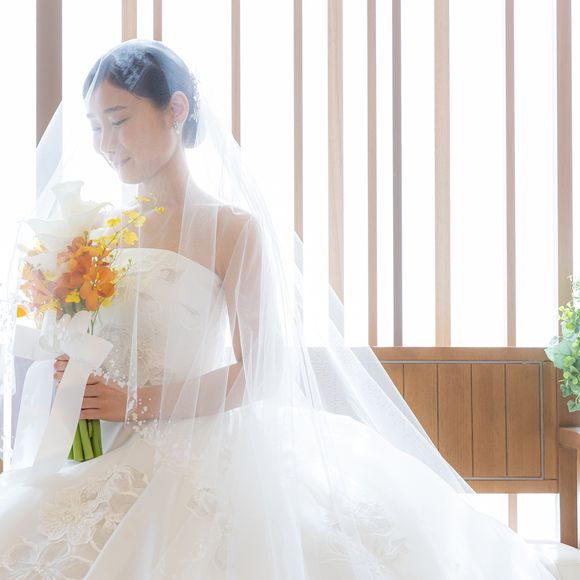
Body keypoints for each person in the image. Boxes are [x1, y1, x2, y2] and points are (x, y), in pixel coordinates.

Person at [0, 39, 557, 579]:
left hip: (195, 448)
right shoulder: (96, 232)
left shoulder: (232, 230)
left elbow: (259, 372)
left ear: (176, 110)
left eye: (118, 120)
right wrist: (73, 372)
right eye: (95, 127)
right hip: (101, 449)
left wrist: (136, 403)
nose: (105, 143)